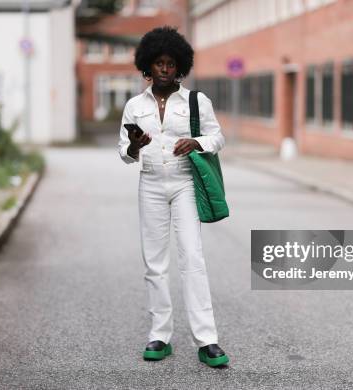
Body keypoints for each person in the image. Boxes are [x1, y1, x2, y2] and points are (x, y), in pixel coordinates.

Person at [117, 26, 229, 368]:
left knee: (192, 258)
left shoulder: (196, 101)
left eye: (170, 63)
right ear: (147, 66)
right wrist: (135, 146)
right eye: (158, 63)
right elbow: (123, 153)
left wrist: (197, 142)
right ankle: (160, 335)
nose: (164, 69)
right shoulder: (135, 106)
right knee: (154, 263)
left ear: (179, 66)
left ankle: (207, 339)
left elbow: (217, 137)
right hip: (150, 183)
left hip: (184, 183)